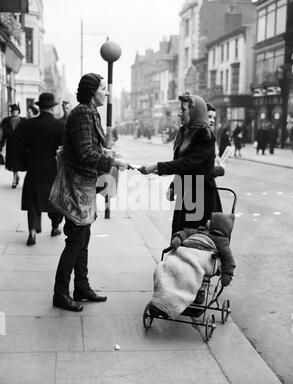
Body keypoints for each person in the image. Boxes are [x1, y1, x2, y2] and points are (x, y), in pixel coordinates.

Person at [53, 73, 133, 313]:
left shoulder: (88, 112)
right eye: (103, 89)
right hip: (77, 185)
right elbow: (84, 154)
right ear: (92, 91)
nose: (106, 93)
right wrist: (112, 161)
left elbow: (90, 147)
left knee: (83, 238)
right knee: (76, 239)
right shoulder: (83, 113)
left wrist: (108, 152)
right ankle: (60, 293)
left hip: (84, 185)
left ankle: (81, 287)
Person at [139, 93, 222, 237]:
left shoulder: (205, 136)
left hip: (201, 197)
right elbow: (179, 166)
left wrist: (156, 166)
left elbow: (187, 163)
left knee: (194, 240)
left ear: (194, 112)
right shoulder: (184, 132)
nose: (180, 113)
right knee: (179, 235)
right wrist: (173, 186)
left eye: (183, 110)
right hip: (186, 193)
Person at [149, 212, 236, 320]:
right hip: (184, 253)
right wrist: (178, 238)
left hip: (201, 257)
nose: (207, 221)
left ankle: (171, 305)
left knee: (187, 274)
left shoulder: (222, 242)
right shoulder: (199, 231)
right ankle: (161, 301)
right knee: (168, 267)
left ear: (217, 225)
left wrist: (227, 273)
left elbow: (228, 259)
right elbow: (185, 233)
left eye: (211, 220)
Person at [17, 93, 64, 246]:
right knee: (55, 200)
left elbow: (19, 147)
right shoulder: (59, 126)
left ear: (39, 107)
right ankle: (55, 227)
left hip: (34, 168)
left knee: (33, 201)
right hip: (52, 169)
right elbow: (63, 150)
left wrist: (26, 163)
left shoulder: (27, 124)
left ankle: (32, 230)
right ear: (52, 107)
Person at [0, 104, 26, 188]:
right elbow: (3, 134)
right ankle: (15, 178)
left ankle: (15, 178)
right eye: (13, 110)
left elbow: (26, 134)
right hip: (11, 145)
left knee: (17, 163)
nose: (14, 112)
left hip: (20, 145)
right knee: (13, 163)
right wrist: (1, 145)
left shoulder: (23, 121)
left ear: (19, 111)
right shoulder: (6, 121)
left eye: (16, 110)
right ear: (11, 112)